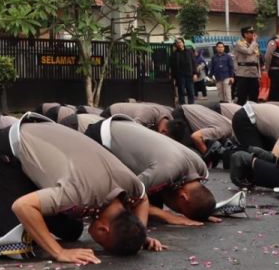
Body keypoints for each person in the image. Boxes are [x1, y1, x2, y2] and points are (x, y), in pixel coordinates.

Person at [0, 114, 161, 262]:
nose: (97, 245)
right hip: (8, 148)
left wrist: (139, 233)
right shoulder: (80, 192)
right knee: (17, 234)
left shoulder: (127, 183)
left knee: (71, 230)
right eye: (103, 245)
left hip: (40, 140)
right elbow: (23, 206)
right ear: (104, 230)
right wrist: (59, 252)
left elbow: (142, 198)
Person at [84, 114, 218, 225]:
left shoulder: (201, 169)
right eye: (180, 210)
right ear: (183, 197)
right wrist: (167, 216)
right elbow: (127, 194)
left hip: (125, 126)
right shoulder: (166, 170)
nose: (177, 212)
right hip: (101, 136)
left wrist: (202, 214)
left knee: (152, 204)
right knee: (122, 204)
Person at [232, 26, 261, 103]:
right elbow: (248, 52)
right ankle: (240, 113)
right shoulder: (239, 43)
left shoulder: (254, 44)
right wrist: (254, 42)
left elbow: (257, 59)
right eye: (251, 33)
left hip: (254, 73)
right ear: (245, 34)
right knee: (242, 96)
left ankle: (253, 113)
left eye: (253, 32)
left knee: (254, 96)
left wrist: (259, 74)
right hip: (243, 73)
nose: (253, 34)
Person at [105, 101, 173, 129]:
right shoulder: (148, 114)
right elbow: (134, 129)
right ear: (164, 131)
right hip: (111, 112)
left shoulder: (170, 117)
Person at [169, 39, 196, 105]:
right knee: (181, 91)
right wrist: (173, 77)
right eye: (177, 43)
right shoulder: (174, 54)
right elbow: (172, 66)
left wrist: (195, 73)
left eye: (180, 42)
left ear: (183, 43)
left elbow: (193, 63)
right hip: (180, 75)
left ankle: (191, 105)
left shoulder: (189, 52)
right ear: (176, 45)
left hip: (189, 74)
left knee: (191, 91)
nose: (179, 44)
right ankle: (182, 105)